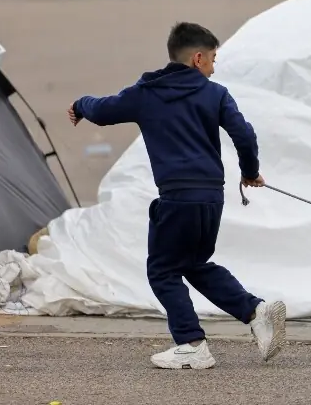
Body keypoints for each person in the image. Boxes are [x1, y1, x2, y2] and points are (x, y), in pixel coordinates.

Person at [67, 22, 286, 369]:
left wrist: (80, 104)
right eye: (213, 59)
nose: (214, 67)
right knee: (192, 264)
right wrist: (249, 171)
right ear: (197, 58)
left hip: (177, 198)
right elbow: (244, 134)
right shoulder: (215, 94)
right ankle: (256, 312)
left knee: (162, 270)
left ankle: (191, 344)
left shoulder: (146, 93)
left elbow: (104, 110)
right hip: (212, 199)